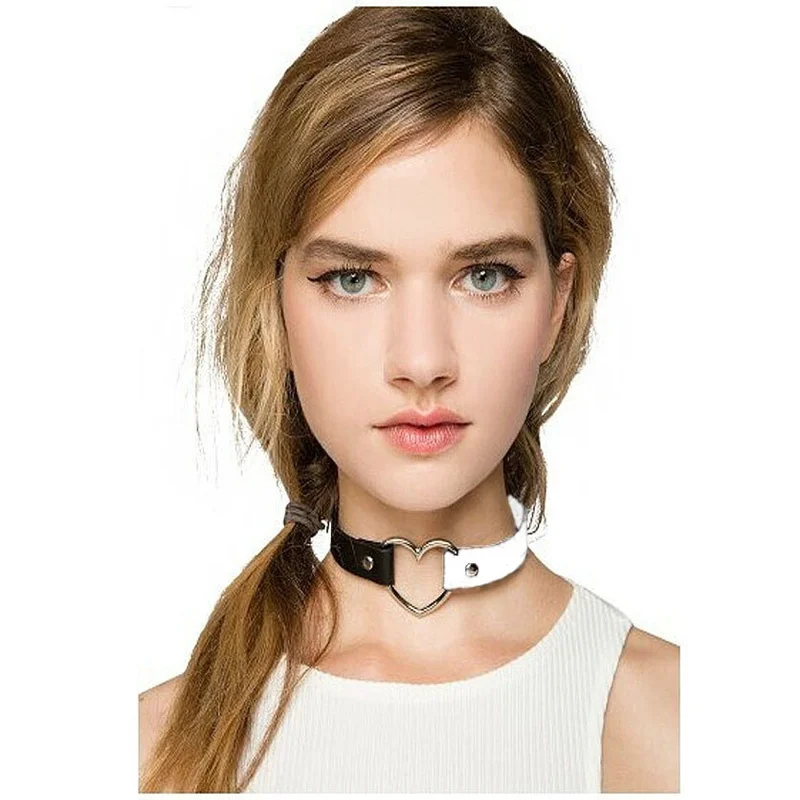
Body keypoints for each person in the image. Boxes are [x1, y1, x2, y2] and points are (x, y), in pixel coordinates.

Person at [139, 6, 679, 793]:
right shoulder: (152, 751)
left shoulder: (680, 729)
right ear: (276, 302)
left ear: (558, 302)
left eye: (484, 276)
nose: (422, 362)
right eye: (353, 279)